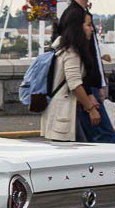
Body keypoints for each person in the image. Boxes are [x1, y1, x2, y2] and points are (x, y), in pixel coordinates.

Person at [60, 0, 115, 142]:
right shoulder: (74, 15)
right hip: (85, 90)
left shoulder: (83, 13)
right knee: (105, 139)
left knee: (93, 142)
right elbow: (75, 57)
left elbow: (89, 53)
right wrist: (88, 98)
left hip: (91, 88)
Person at [41, 9, 101, 142]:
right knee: (77, 154)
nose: (92, 29)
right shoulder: (71, 52)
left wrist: (89, 97)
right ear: (77, 28)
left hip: (66, 112)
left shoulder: (65, 49)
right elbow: (74, 84)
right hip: (63, 113)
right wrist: (91, 109)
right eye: (88, 25)